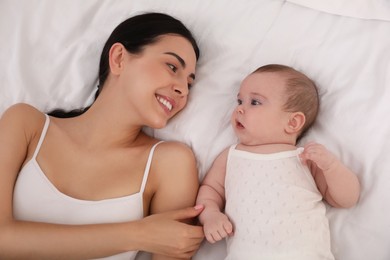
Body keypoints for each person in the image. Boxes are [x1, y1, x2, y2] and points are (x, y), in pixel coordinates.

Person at [0, 12, 205, 260]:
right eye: (172, 67)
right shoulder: (26, 124)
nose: (182, 89)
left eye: (190, 83)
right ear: (119, 58)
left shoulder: (170, 163)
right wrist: (137, 235)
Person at [196, 64, 360, 259]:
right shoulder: (230, 156)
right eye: (239, 100)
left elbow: (347, 199)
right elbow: (210, 190)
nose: (240, 108)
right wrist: (211, 215)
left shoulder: (305, 158)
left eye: (255, 102)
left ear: (293, 123)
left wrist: (331, 167)